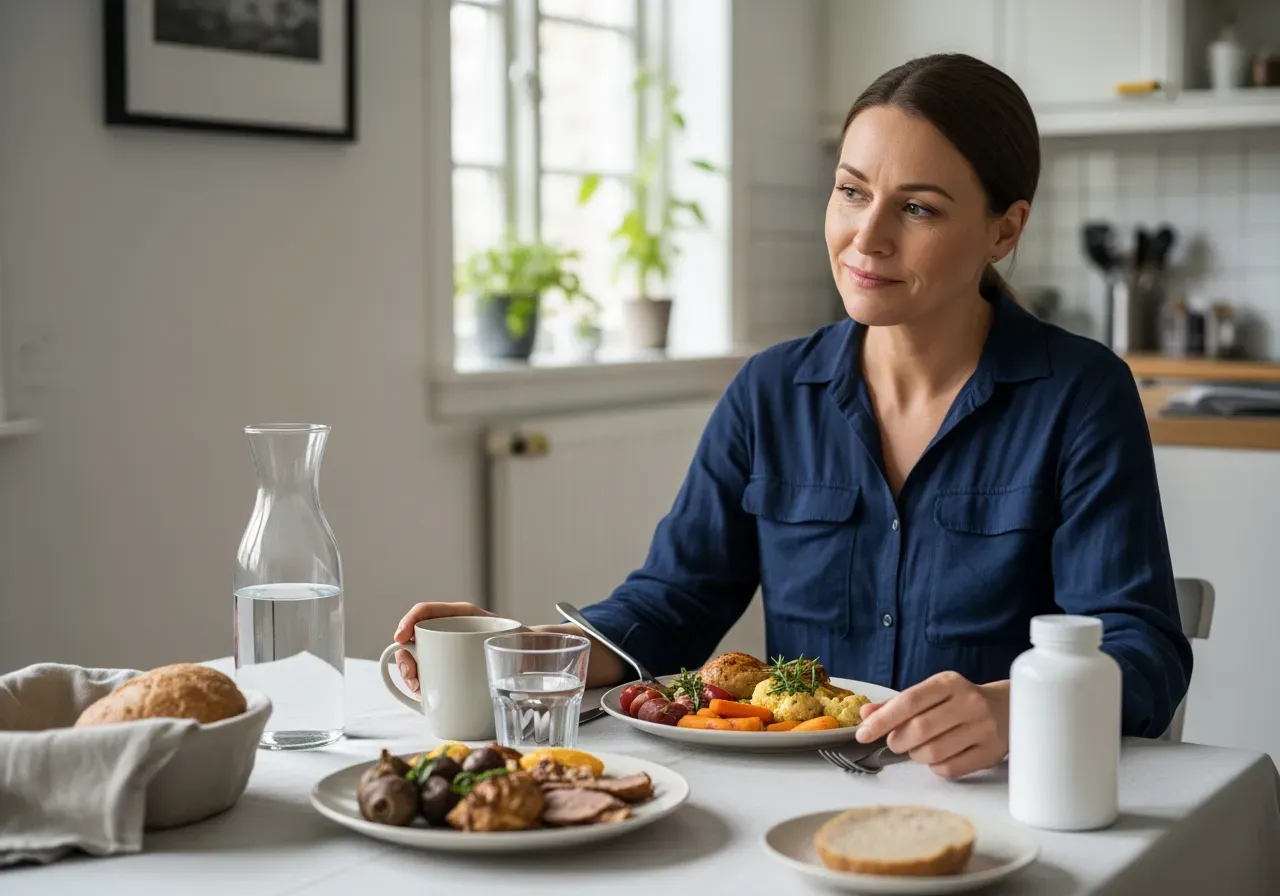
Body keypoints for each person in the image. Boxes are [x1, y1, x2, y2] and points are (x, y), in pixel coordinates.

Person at [394, 53, 1192, 780]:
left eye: (917, 209)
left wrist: (1016, 709)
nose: (865, 238)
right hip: (793, 801)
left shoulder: (1081, 394)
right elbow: (674, 600)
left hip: (1004, 800)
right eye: (851, 191)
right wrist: (531, 651)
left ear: (1004, 229)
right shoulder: (770, 391)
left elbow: (1144, 649)